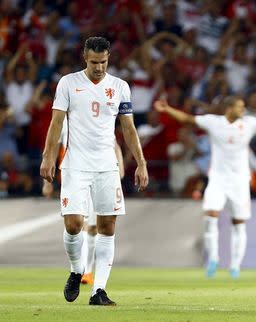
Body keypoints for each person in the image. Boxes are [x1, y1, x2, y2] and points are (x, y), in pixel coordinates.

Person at [40, 37, 148, 306]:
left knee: (107, 227)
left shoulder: (120, 87)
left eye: (103, 62)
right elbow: (56, 124)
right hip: (76, 163)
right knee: (74, 224)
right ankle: (77, 270)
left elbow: (128, 129)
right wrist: (48, 157)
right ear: (84, 59)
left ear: (109, 58)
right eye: (93, 62)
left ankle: (98, 290)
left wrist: (141, 162)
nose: (99, 67)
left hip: (106, 165)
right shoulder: (68, 83)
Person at [154, 96, 256, 278]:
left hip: (240, 181)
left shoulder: (249, 123)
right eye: (239, 107)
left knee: (238, 223)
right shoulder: (213, 122)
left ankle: (235, 265)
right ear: (228, 108)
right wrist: (167, 109)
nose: (243, 110)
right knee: (210, 217)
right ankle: (213, 259)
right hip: (217, 179)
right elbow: (187, 119)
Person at [42, 137, 125, 286]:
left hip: (98, 175)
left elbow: (113, 142)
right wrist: (47, 182)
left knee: (93, 229)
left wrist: (119, 166)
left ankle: (87, 271)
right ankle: (80, 269)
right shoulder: (66, 118)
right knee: (78, 225)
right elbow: (53, 146)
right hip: (74, 175)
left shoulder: (99, 118)